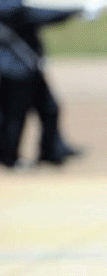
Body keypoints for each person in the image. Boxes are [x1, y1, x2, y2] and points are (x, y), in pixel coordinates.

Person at [0, 3, 94, 168]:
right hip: (15, 70)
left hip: (28, 68)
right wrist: (77, 11)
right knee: (15, 116)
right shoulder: (9, 7)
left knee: (50, 108)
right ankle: (10, 158)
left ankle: (50, 151)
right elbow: (42, 15)